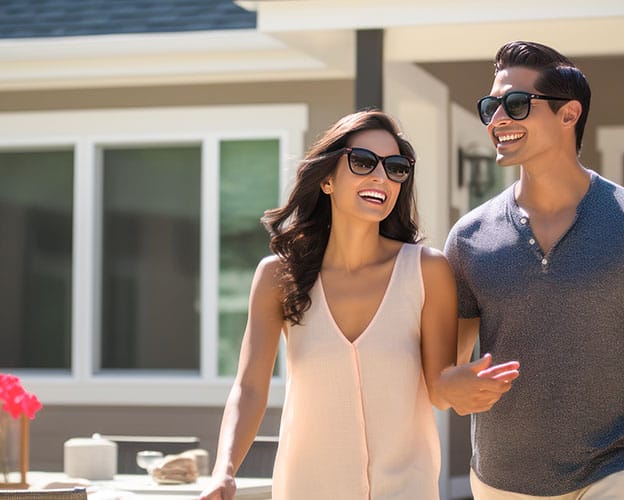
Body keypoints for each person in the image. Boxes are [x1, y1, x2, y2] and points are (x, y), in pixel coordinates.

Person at [440, 40, 624, 499]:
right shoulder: (469, 238)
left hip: (618, 468)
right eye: (490, 107)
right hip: (502, 480)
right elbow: (446, 366)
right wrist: (452, 386)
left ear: (569, 114)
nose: (497, 120)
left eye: (515, 104)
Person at [198, 109, 518, 500]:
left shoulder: (426, 270)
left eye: (396, 168)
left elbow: (438, 386)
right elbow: (249, 388)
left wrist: (463, 385)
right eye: (364, 163)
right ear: (328, 179)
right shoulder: (277, 277)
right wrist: (224, 471)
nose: (381, 178)